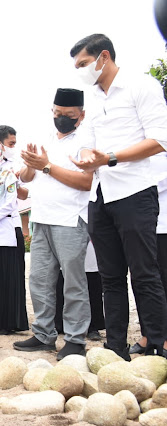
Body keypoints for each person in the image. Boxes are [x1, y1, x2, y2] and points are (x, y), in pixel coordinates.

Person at [69, 34, 167, 358]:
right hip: (101, 195)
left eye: (83, 64)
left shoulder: (142, 87)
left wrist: (109, 157)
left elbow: (159, 139)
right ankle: (115, 347)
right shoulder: (92, 98)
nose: (81, 71)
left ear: (104, 57)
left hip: (135, 191)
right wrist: (85, 155)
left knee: (144, 273)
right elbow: (86, 140)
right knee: (110, 277)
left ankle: (158, 344)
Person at [14, 88, 93, 360]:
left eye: (69, 115)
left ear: (81, 115)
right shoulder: (45, 138)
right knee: (39, 280)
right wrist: (30, 164)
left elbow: (86, 182)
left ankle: (75, 339)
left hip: (70, 220)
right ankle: (44, 334)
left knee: (73, 282)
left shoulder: (85, 140)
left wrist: (46, 166)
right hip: (41, 217)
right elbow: (27, 178)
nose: (62, 118)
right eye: (58, 113)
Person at [0, 140, 28, 335]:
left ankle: (7, 323)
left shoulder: (7, 173)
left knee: (4, 278)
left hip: (3, 229)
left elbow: (12, 202)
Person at [128, 152, 167, 355]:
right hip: (140, 224)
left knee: (161, 281)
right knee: (140, 279)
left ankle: (164, 338)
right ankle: (146, 334)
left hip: (163, 225)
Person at [54, 240, 106, 341]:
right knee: (64, 281)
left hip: (89, 240)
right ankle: (60, 323)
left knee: (92, 284)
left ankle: (92, 326)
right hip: (67, 238)